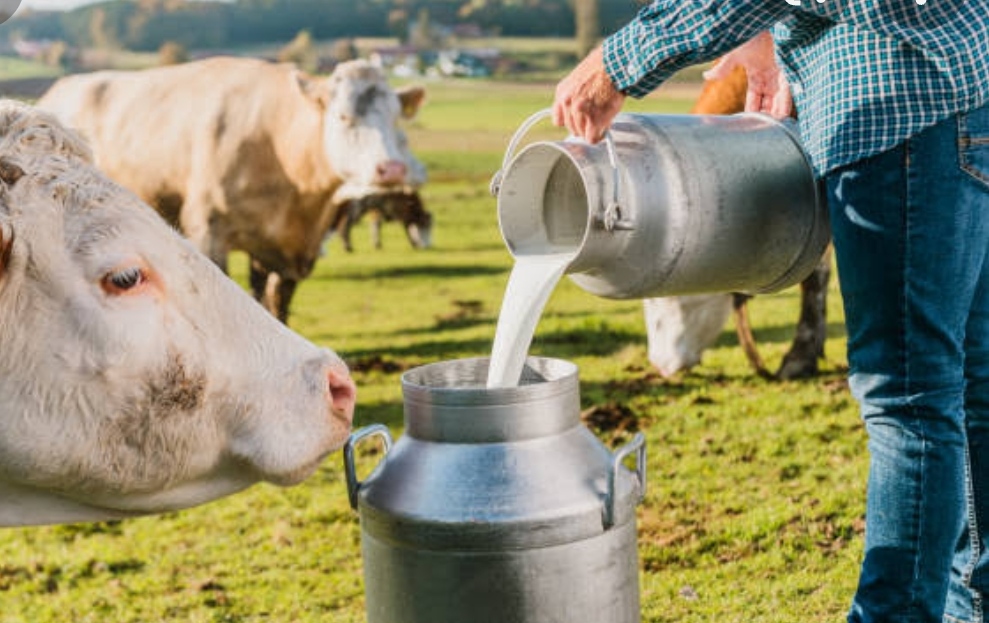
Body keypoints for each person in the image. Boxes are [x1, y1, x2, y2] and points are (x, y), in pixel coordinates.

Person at [552, 2, 989, 622]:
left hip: (898, 104)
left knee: (908, 395)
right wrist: (772, 34)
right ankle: (973, 605)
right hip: (962, 98)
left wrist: (616, 65)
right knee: (968, 379)